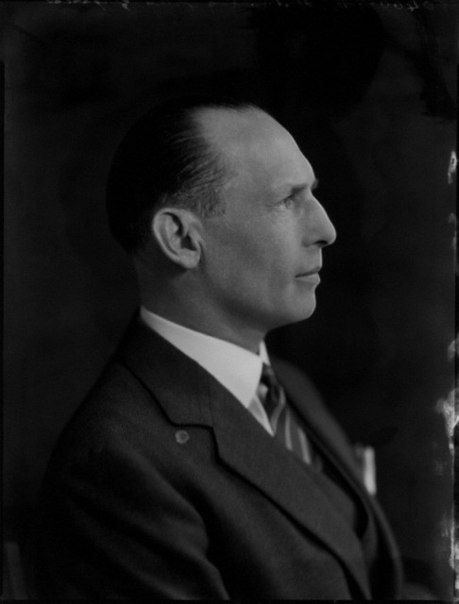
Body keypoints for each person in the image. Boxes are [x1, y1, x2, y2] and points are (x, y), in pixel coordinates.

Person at [35, 96, 404, 599]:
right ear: (182, 238)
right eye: (287, 201)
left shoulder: (286, 387)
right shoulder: (115, 467)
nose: (326, 230)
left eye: (312, 194)